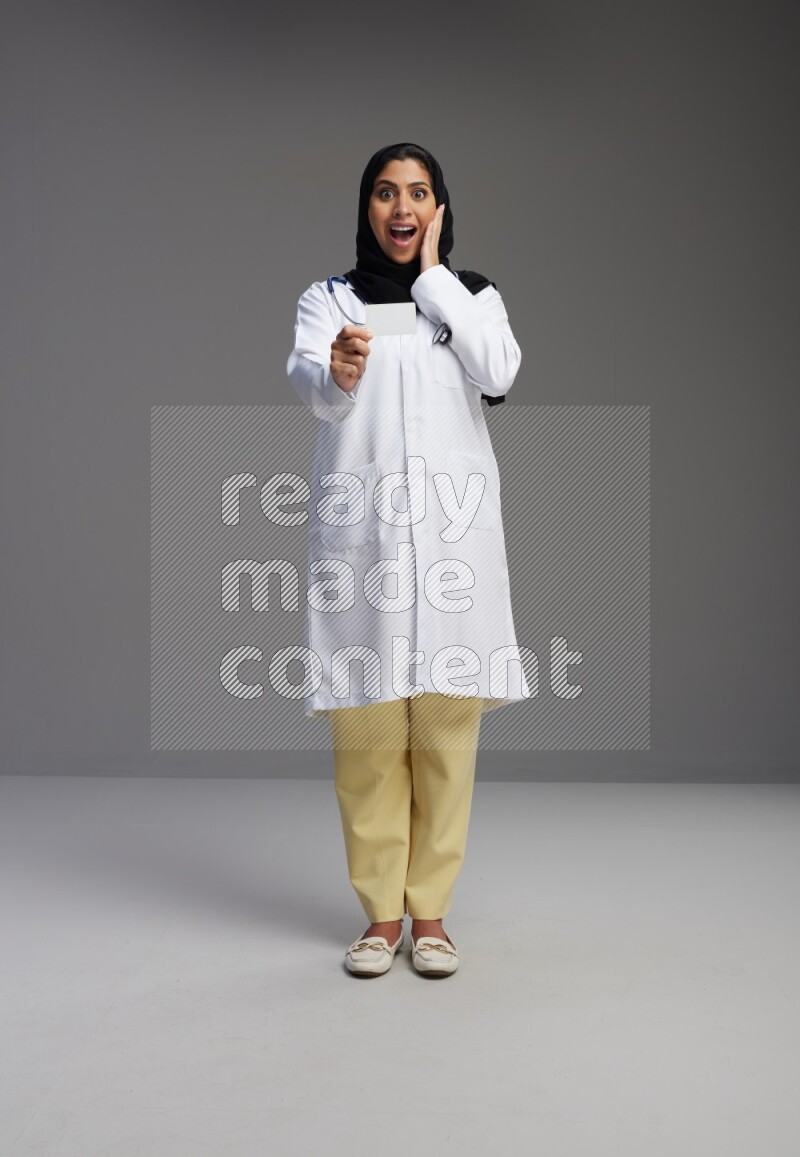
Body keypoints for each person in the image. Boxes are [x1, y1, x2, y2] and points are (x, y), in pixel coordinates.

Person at [286, 142, 529, 977]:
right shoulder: (331, 298)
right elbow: (312, 384)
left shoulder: (471, 298)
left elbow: (498, 369)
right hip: (368, 548)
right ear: (365, 208)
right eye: (385, 193)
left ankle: (431, 916)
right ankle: (379, 917)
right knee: (367, 732)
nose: (400, 207)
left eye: (417, 193)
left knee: (445, 734)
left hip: (452, 547)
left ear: (439, 209)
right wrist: (336, 371)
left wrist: (434, 280)